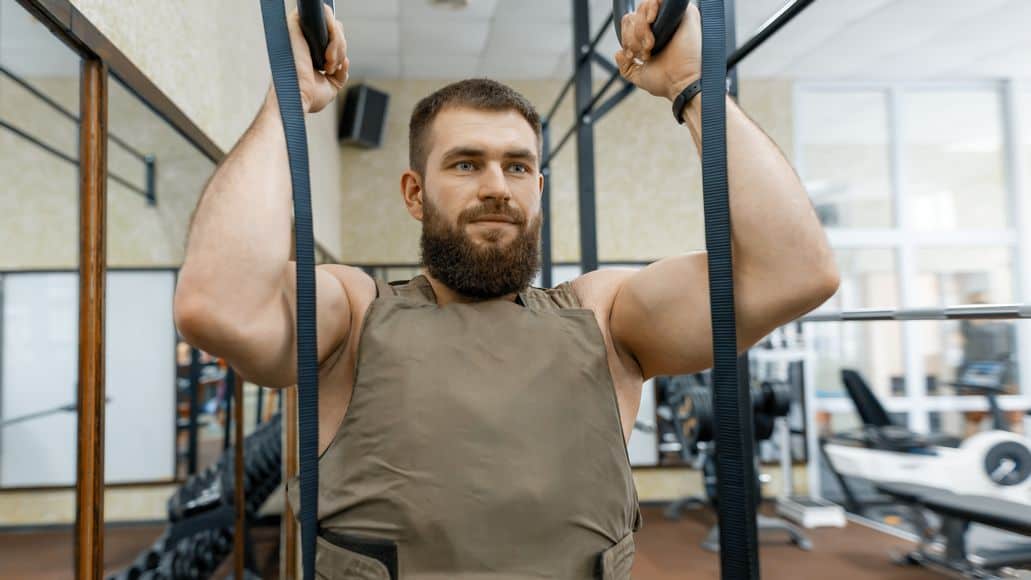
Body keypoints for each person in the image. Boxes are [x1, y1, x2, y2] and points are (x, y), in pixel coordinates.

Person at [173, 2, 839, 577]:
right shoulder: (352, 315)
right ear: (414, 192)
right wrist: (283, 97)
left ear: (537, 192)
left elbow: (793, 273)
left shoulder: (606, 319)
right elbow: (217, 304)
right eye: (466, 164)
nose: (496, 185)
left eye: (516, 166)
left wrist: (694, 85)